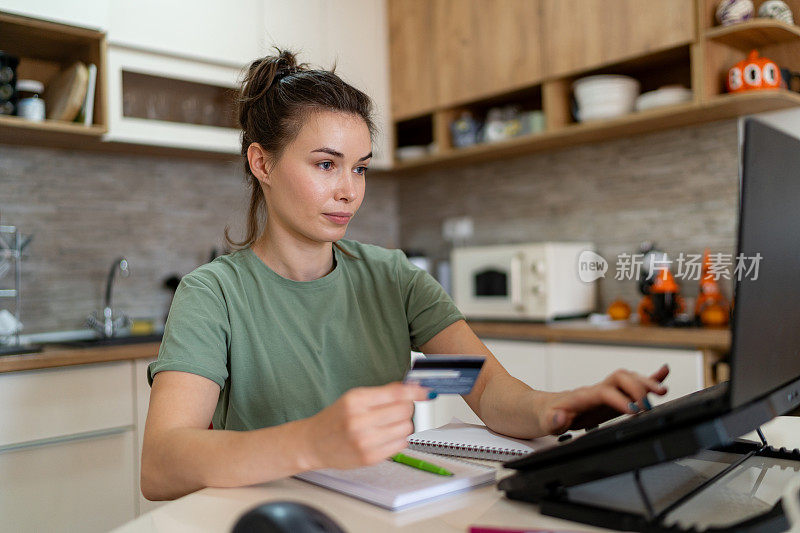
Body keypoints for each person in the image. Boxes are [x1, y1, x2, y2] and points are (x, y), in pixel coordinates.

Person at [140, 49, 669, 501]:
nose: (350, 190)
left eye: (360, 167)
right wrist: (311, 441)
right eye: (326, 164)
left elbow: (486, 392)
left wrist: (557, 407)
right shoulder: (213, 294)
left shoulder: (394, 279)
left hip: (385, 510)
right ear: (262, 164)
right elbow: (161, 463)